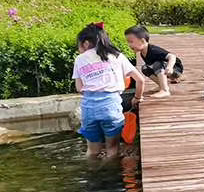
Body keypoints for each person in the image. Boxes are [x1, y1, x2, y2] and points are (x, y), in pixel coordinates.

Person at [73, 23, 147, 160]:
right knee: (112, 150)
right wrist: (137, 98)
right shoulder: (117, 56)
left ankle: (92, 176)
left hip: (89, 109)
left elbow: (79, 88)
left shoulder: (79, 59)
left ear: (86, 43)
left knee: (92, 151)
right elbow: (140, 80)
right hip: (111, 108)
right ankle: (110, 176)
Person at [124, 25, 183, 98]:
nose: (129, 45)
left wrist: (170, 67)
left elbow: (172, 56)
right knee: (145, 68)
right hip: (164, 70)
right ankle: (161, 85)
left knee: (157, 64)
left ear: (142, 41)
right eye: (128, 42)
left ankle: (165, 90)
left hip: (174, 70)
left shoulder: (154, 50)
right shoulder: (143, 52)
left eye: (131, 42)